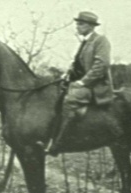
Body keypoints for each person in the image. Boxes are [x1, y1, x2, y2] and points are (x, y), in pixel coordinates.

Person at [45, 11, 114, 156]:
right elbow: (78, 65)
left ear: (90, 26)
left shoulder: (100, 41)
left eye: (81, 24)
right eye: (77, 24)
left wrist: (83, 82)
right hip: (80, 82)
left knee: (70, 100)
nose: (77, 27)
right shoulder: (85, 42)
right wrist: (67, 75)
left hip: (95, 85)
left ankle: (60, 143)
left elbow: (101, 66)